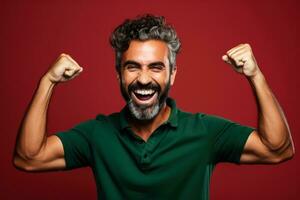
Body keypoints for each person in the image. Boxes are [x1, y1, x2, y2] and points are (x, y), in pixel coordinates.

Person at [13, 14, 295, 200]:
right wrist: (47, 81)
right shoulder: (97, 134)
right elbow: (29, 157)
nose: (144, 79)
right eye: (132, 67)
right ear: (119, 74)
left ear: (172, 74)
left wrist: (255, 76)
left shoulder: (205, 131)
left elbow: (277, 149)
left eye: (156, 67)